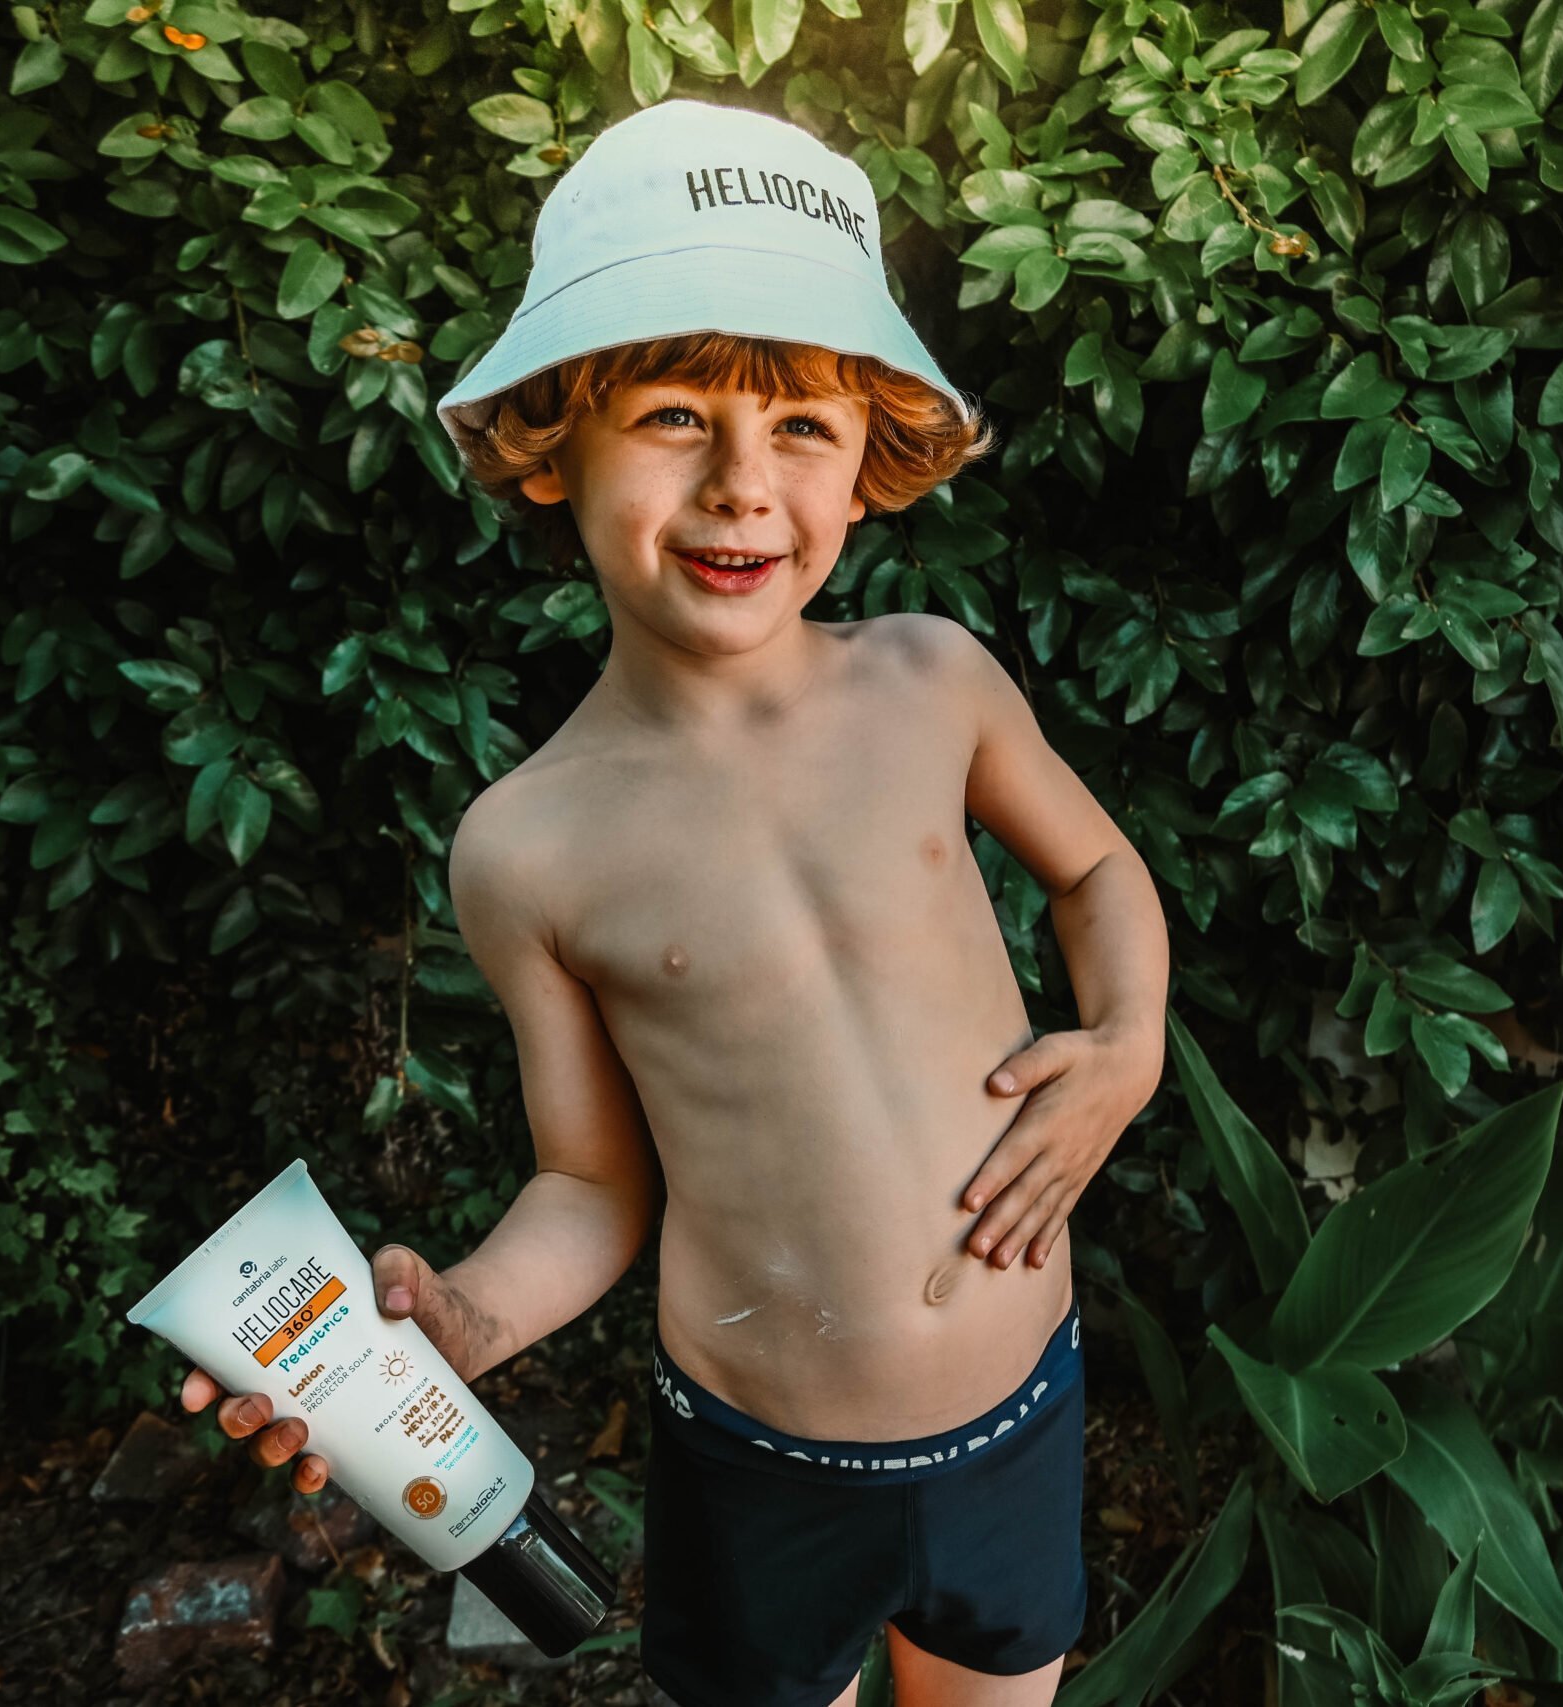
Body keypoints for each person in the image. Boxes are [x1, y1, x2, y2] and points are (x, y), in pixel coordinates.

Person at [176, 97, 1171, 1707]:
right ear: (553, 441)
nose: (740, 484)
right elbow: (593, 1180)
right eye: (672, 415)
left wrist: (1127, 1044)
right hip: (766, 1468)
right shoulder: (529, 846)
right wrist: (466, 1318)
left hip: (1018, 1418)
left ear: (870, 460)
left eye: (802, 428)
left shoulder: (933, 683)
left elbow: (1098, 869)